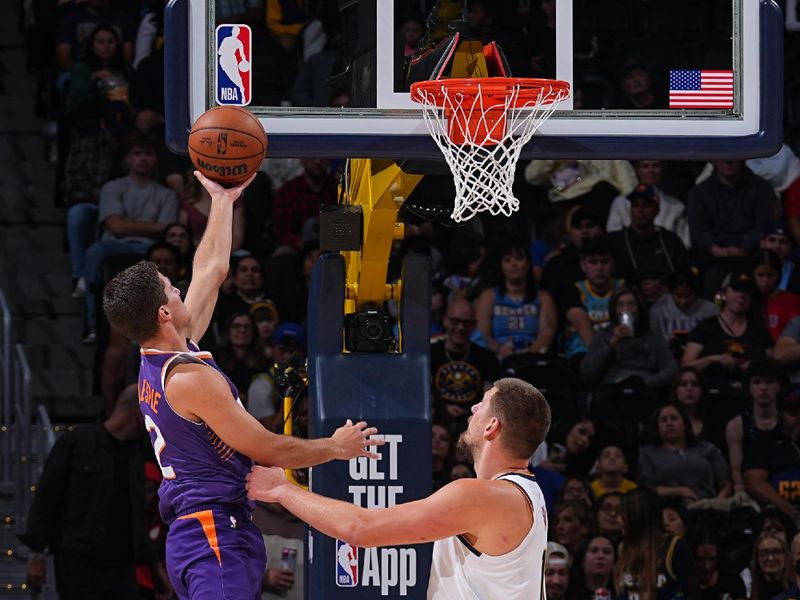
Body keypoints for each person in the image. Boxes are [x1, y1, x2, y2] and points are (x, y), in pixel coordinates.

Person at [102, 171, 382, 599]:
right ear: (162, 313)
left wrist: (221, 199)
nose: (179, 289)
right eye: (170, 289)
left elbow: (210, 270)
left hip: (208, 528)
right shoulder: (189, 379)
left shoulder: (166, 353)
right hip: (211, 532)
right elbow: (268, 448)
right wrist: (336, 447)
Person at [246, 378, 552, 599]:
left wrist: (281, 489)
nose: (473, 407)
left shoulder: (484, 497)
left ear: (492, 426)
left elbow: (361, 529)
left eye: (482, 403)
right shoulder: (529, 495)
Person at [19, 385, 171, 600]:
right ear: (139, 416)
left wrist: (154, 566)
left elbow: (134, 518)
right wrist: (36, 555)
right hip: (78, 563)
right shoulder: (77, 442)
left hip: (121, 566)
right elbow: (47, 498)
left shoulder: (134, 456)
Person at [81, 132, 179, 342]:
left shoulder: (166, 194)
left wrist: (129, 225)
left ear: (155, 158)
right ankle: (92, 323)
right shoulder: (113, 187)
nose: (143, 158)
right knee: (94, 252)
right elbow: (115, 226)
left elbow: (167, 230)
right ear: (128, 158)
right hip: (115, 246)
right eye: (137, 153)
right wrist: (152, 226)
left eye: (148, 153)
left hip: (149, 249)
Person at [687, 160, 777, 297]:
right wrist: (716, 249)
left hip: (752, 255)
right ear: (714, 160)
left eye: (734, 156)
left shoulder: (762, 188)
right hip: (713, 259)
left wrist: (745, 247)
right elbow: (698, 232)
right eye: (723, 156)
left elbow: (764, 225)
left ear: (743, 158)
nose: (728, 161)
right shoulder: (699, 192)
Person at [682, 270, 773, 388]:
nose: (742, 295)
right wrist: (711, 359)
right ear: (724, 293)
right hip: (712, 393)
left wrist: (756, 366)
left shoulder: (759, 330)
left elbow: (773, 368)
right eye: (736, 289)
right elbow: (685, 368)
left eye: (747, 291)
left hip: (748, 395)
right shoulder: (706, 327)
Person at [614, 488, 701, 600]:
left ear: (636, 516)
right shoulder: (622, 548)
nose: (618, 520)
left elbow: (693, 596)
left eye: (622, 515)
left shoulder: (675, 547)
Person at [474, 241, 557, 358]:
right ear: (501, 266)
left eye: (519, 259)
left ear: (528, 264)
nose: (514, 264)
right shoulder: (488, 296)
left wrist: (530, 353)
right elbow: (482, 334)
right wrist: (499, 349)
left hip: (533, 355)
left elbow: (546, 334)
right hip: (497, 355)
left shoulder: (544, 297)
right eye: (507, 260)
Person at [606, 183, 689, 298]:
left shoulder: (670, 239)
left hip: (668, 297)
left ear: (656, 211)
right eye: (635, 205)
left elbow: (684, 272)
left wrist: (669, 289)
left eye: (646, 206)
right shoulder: (615, 240)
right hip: (628, 299)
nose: (640, 210)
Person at [430, 298, 500, 433]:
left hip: (475, 424)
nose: (461, 328)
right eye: (455, 321)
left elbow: (491, 398)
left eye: (466, 322)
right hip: (436, 423)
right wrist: (443, 409)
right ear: (445, 321)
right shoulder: (430, 354)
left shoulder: (487, 358)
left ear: (474, 325)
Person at [638, 405, 732, 502]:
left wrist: (719, 501)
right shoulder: (647, 453)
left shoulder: (707, 448)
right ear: (657, 428)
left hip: (708, 506)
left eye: (674, 418)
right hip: (668, 508)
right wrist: (680, 491)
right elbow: (646, 489)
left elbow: (726, 484)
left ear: (685, 423)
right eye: (663, 420)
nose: (669, 423)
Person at [557, 236, 625, 366]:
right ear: (583, 265)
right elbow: (581, 326)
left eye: (604, 262)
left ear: (613, 263)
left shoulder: (624, 288)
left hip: (620, 349)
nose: (599, 268)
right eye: (593, 262)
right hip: (582, 352)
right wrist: (601, 355)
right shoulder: (573, 291)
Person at [724, 359, 784, 493]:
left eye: (769, 382)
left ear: (778, 386)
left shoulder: (787, 422)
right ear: (749, 388)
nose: (763, 388)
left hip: (785, 485)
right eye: (757, 382)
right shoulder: (736, 425)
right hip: (752, 490)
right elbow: (736, 472)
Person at [742, 391, 800, 519]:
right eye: (793, 412)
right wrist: (791, 512)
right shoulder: (766, 444)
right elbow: (753, 482)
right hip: (780, 515)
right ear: (781, 415)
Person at [607, 159, 690, 247]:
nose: (651, 170)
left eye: (655, 165)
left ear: (663, 168)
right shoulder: (620, 203)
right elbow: (613, 236)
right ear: (638, 170)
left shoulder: (677, 207)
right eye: (645, 166)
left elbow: (684, 243)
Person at [649, 268, 718, 356]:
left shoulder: (710, 309)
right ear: (670, 292)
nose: (683, 301)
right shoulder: (658, 308)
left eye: (688, 295)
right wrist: (669, 341)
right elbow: (653, 340)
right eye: (678, 296)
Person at [751, 249, 800, 342]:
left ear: (779, 274)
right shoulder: (743, 299)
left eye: (771, 275)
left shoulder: (792, 300)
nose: (765, 280)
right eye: (760, 275)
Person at [691, 530, 747, 600]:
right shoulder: (682, 585)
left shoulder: (733, 582)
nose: (707, 566)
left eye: (712, 559)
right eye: (700, 560)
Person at [569, 536, 617, 600]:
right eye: (594, 551)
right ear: (583, 560)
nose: (600, 556)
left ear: (614, 562)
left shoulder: (623, 593)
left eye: (606, 552)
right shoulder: (568, 591)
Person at [749, 532, 792, 600]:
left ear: (785, 555)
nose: (770, 558)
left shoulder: (797, 591)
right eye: (764, 553)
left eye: (776, 552)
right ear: (757, 557)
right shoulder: (748, 593)